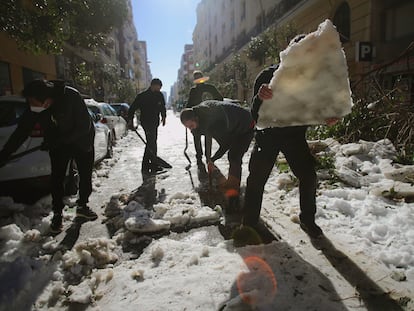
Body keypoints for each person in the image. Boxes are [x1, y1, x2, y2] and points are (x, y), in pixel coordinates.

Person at [241, 65, 338, 238]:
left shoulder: (310, 79)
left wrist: (326, 118)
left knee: (309, 176)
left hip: (294, 137)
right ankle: (249, 222)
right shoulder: (267, 75)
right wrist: (259, 98)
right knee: (256, 180)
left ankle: (307, 220)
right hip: (267, 135)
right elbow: (254, 114)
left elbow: (313, 109)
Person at [0, 79, 97, 233]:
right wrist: (4, 154)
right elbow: (21, 132)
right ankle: (57, 214)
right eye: (29, 102)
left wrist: (58, 140)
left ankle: (82, 206)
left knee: (85, 176)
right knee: (57, 179)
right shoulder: (36, 107)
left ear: (46, 98)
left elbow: (84, 126)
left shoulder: (71, 96)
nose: (31, 105)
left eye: (33, 101)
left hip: (82, 141)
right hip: (59, 144)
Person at [180, 100, 255, 205]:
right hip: (232, 124)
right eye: (188, 128)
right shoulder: (200, 114)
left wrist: (212, 159)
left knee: (234, 156)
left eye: (191, 126)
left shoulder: (215, 122)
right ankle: (231, 183)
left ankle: (233, 191)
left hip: (246, 125)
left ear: (196, 119)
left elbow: (226, 144)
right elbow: (207, 137)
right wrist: (209, 159)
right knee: (233, 154)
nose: (190, 130)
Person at [128, 78, 166, 173]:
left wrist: (164, 117)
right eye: (158, 87)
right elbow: (132, 108)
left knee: (152, 142)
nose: (159, 89)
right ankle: (147, 165)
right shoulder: (142, 96)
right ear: (153, 85)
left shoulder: (159, 95)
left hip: (155, 122)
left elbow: (162, 107)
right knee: (151, 142)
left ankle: (152, 164)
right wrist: (130, 120)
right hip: (146, 122)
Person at [186, 71, 223, 167]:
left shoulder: (210, 88)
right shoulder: (193, 91)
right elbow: (189, 104)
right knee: (198, 137)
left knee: (207, 136)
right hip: (197, 117)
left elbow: (219, 99)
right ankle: (201, 156)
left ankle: (207, 157)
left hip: (208, 117)